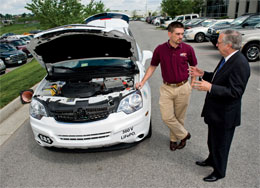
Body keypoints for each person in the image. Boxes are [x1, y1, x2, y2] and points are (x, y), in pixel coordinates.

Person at [189, 29, 250, 182]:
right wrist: (203, 73)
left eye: (219, 42)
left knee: (221, 145)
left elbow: (235, 92)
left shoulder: (240, 63)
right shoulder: (226, 58)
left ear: (229, 45)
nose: (216, 44)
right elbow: (218, 78)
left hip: (226, 114)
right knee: (212, 140)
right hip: (215, 111)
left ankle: (219, 171)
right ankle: (211, 159)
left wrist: (210, 88)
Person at [136, 21, 197, 151]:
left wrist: (192, 83)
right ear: (169, 34)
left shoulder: (188, 49)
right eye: (177, 34)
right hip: (167, 88)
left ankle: (174, 140)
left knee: (179, 117)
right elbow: (152, 66)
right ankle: (185, 135)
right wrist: (142, 81)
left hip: (183, 87)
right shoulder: (160, 49)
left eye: (182, 33)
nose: (181, 36)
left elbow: (193, 67)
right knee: (167, 117)